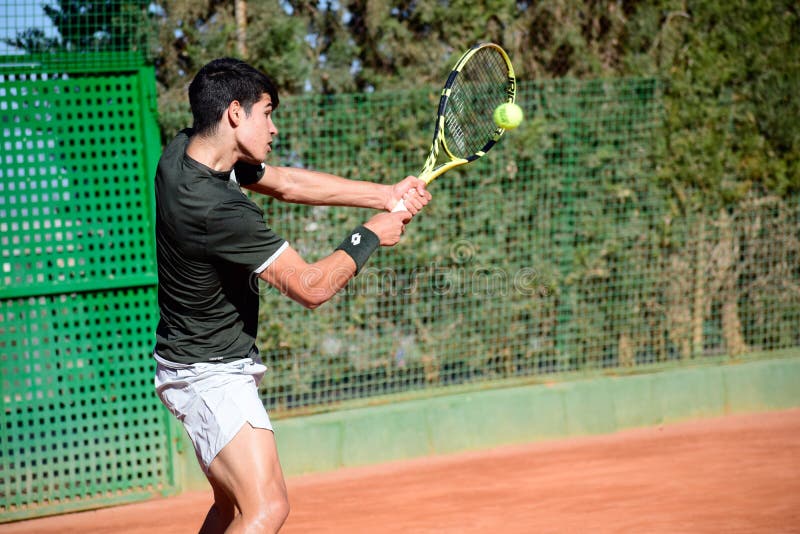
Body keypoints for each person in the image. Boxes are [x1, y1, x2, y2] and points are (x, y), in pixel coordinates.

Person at [152, 57, 430, 533]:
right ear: (235, 113)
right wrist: (370, 236)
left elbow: (285, 182)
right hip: (210, 374)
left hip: (194, 361)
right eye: (267, 112)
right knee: (266, 509)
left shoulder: (185, 152)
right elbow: (311, 286)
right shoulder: (213, 208)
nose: (274, 127)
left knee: (230, 509)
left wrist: (384, 195)